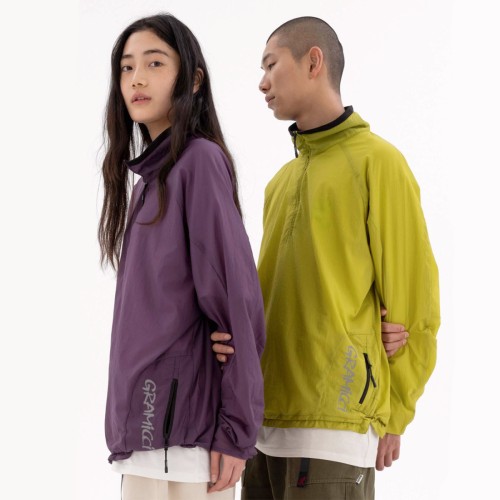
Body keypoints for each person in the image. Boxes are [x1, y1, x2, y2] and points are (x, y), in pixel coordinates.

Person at [212, 16, 440, 500]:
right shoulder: (281, 183)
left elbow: (413, 302)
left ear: (313, 61)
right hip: (263, 428)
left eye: (271, 65)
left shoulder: (379, 163)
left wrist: (395, 411)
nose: (262, 82)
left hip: (336, 426)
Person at [98, 14, 265, 500]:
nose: (137, 79)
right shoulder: (146, 184)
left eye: (155, 63)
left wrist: (236, 431)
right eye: (127, 67)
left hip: (181, 432)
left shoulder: (199, 161)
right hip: (146, 429)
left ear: (192, 80)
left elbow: (235, 299)